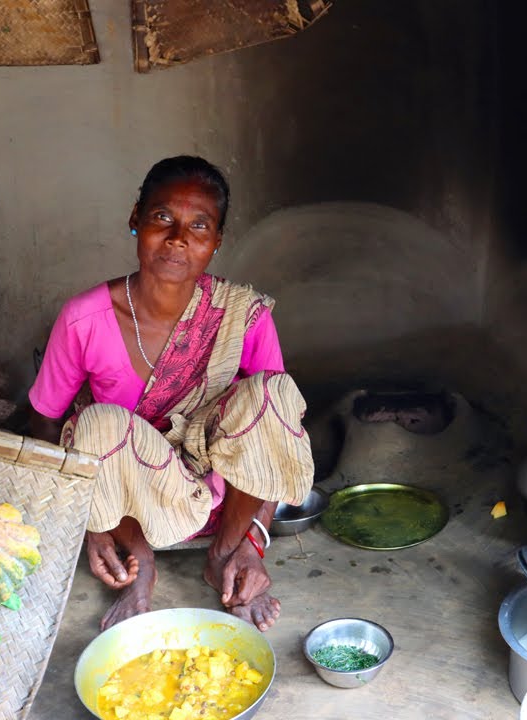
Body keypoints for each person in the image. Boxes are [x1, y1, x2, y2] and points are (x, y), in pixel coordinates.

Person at [28, 156, 313, 632]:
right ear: (135, 218)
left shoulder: (243, 314)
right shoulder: (84, 318)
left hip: (224, 501)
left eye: (199, 226)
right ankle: (141, 562)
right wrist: (92, 524)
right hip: (130, 500)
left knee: (272, 394)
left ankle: (224, 555)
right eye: (163, 217)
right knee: (96, 424)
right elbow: (43, 422)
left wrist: (252, 541)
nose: (179, 238)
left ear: (216, 241)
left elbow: (275, 434)